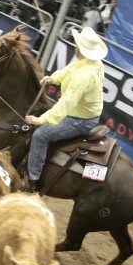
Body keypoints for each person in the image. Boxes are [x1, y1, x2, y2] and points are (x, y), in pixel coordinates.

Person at [24, 27, 108, 192]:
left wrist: (41, 120)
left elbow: (66, 103)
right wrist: (53, 78)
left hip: (80, 119)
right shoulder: (91, 62)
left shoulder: (84, 76)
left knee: (40, 135)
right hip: (83, 112)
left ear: (80, 48)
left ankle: (32, 181)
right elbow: (69, 69)